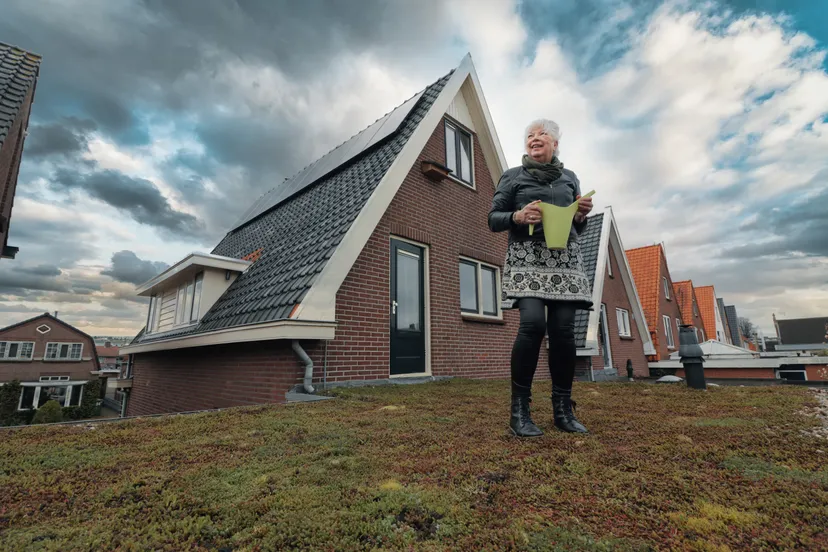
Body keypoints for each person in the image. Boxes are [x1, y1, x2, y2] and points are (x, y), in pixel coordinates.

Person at [488, 119, 594, 438]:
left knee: (562, 332)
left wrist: (579, 215)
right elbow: (493, 218)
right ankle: (519, 410)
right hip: (527, 258)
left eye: (542, 134)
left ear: (555, 144)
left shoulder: (570, 178)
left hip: (565, 261)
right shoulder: (512, 177)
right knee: (533, 324)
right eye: (530, 136)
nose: (535, 138)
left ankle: (563, 409)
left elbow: (579, 227)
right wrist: (517, 216)